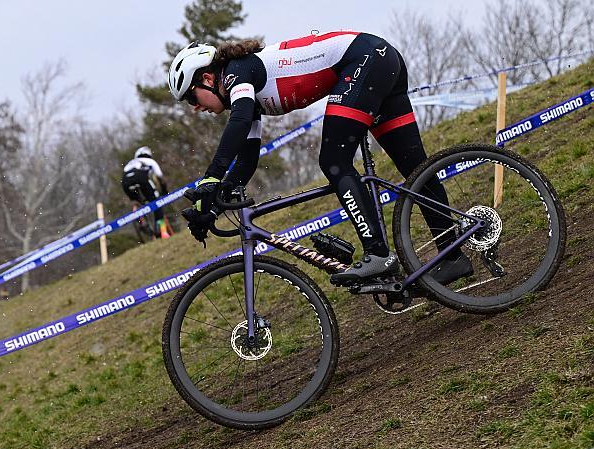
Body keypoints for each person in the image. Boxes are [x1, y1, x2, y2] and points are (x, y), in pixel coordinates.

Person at [168, 31, 473, 285]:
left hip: (365, 60)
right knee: (415, 168)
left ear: (208, 78)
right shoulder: (247, 92)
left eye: (192, 97)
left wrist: (210, 177)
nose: (196, 108)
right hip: (379, 58)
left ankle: (378, 254)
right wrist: (212, 204)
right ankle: (453, 255)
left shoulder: (238, 72)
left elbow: (238, 122)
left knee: (333, 161)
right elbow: (247, 158)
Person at [121, 146, 171, 238]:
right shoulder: (150, 161)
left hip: (126, 182)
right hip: (141, 178)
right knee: (157, 203)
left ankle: (139, 217)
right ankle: (162, 231)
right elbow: (160, 176)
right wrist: (164, 190)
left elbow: (125, 175)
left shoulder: (130, 163)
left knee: (136, 201)